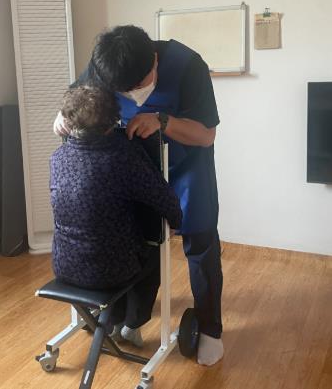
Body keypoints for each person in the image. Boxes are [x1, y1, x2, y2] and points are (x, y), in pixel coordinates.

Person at [54, 26, 224, 366]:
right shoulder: (104, 64)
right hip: (133, 165)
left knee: (200, 239)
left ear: (155, 60)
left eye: (140, 85)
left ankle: (210, 329)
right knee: (138, 240)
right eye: (125, 91)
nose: (133, 94)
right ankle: (132, 317)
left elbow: (206, 135)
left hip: (186, 163)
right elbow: (77, 100)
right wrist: (62, 116)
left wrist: (163, 121)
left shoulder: (189, 66)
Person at [50, 85, 183, 347]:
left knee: (109, 248)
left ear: (69, 121)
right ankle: (131, 325)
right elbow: (164, 199)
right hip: (110, 271)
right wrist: (176, 223)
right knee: (153, 251)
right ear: (114, 120)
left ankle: (111, 321)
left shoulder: (58, 158)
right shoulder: (124, 157)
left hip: (64, 265)